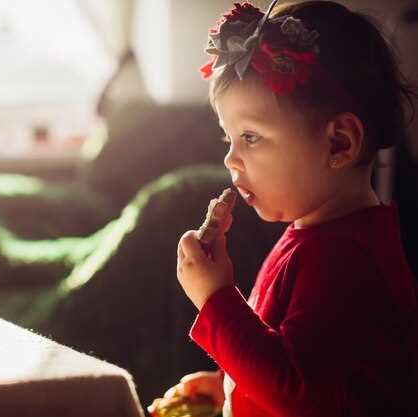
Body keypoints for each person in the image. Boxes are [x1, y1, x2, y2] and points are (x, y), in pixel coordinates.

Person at [162, 1, 418, 416]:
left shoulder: (347, 260)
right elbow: (285, 348)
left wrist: (215, 299)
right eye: (229, 138)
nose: (231, 159)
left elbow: (297, 390)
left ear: (339, 144)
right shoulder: (314, 233)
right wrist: (228, 381)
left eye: (251, 137)